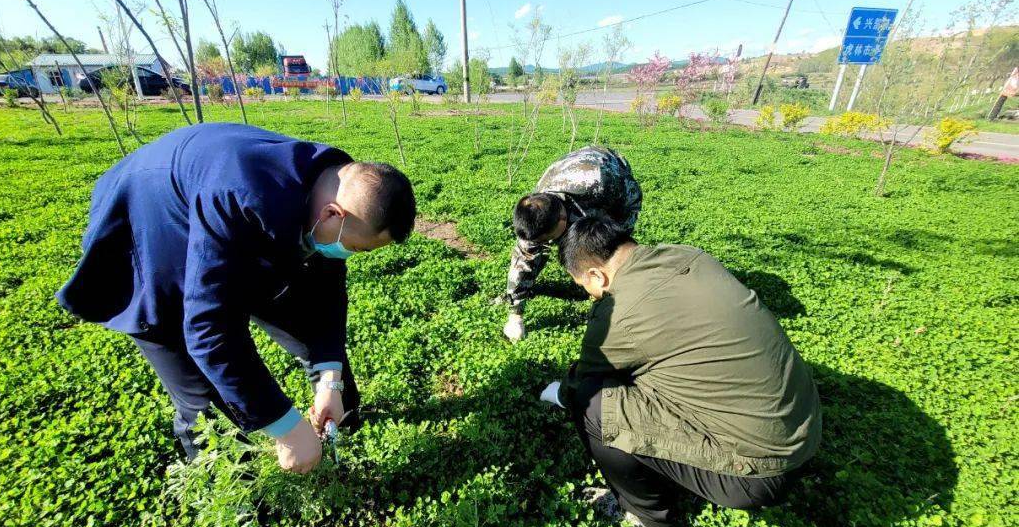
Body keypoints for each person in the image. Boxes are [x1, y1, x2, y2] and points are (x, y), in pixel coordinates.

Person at [57, 123, 416, 474]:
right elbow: (210, 331)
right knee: (202, 398)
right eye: (352, 247)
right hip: (152, 227)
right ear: (332, 214)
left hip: (226, 214)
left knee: (314, 334)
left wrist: (330, 380)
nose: (348, 255)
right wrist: (285, 428)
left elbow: (325, 297)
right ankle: (236, 513)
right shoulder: (241, 198)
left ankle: (340, 436)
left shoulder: (333, 186)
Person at [539, 218, 821, 527]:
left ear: (596, 276)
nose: (590, 295)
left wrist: (560, 391)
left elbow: (584, 380)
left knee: (594, 403)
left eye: (583, 287)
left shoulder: (619, 314)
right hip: (805, 428)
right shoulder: (689, 255)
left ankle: (652, 523)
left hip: (759, 473)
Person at [502, 146, 641, 342]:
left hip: (612, 175)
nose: (546, 245)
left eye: (548, 240)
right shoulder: (537, 208)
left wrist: (616, 248)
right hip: (570, 174)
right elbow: (524, 259)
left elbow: (631, 202)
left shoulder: (599, 184)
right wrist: (515, 314)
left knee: (610, 245)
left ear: (561, 220)